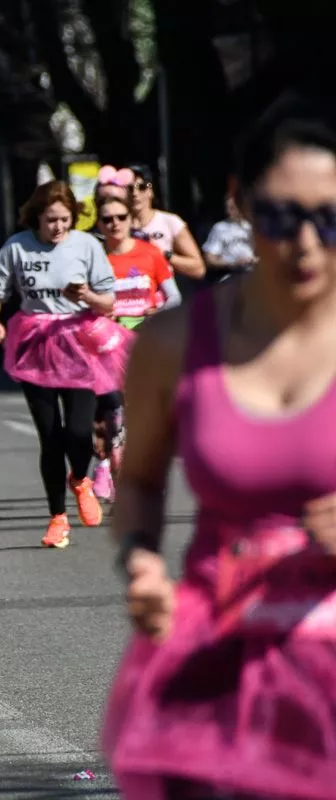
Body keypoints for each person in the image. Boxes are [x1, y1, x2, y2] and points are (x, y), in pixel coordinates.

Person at [104, 96, 336, 800]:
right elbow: (139, 480)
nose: (306, 243)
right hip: (219, 652)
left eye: (330, 219)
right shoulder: (175, 343)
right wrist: (141, 559)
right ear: (240, 204)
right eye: (280, 217)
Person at [0, 181, 126, 549]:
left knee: (78, 432)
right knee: (49, 435)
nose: (58, 227)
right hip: (35, 342)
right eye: (51, 220)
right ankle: (57, 518)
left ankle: (79, 478)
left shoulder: (86, 245)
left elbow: (108, 302)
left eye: (64, 219)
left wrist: (86, 295)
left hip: (78, 343)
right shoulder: (17, 246)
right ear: (36, 218)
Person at [93, 195, 181, 504]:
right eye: (107, 219)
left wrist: (156, 313)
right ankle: (109, 465)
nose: (114, 224)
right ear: (98, 224)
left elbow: (174, 296)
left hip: (144, 341)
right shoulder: (94, 256)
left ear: (131, 220)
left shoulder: (150, 253)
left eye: (120, 217)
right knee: (111, 412)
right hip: (106, 343)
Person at [128, 164, 206, 280]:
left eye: (142, 187)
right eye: (129, 188)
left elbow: (198, 268)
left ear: (150, 191)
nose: (135, 193)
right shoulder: (117, 224)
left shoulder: (170, 221)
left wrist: (165, 254)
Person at [202, 194, 257, 282]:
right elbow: (210, 259)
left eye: (232, 208)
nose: (228, 211)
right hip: (230, 276)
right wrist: (233, 264)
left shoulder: (253, 226)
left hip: (255, 274)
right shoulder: (220, 228)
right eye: (227, 208)